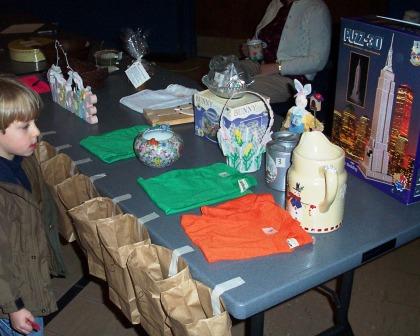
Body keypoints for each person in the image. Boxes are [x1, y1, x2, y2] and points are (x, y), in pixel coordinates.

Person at [0, 77, 66, 335]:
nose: (37, 132)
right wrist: (13, 306)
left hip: (25, 275)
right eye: (25, 126)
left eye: (35, 123)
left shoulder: (23, 159)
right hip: (12, 297)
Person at [241, 0, 331, 103]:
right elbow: (259, 39)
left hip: (290, 79)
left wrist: (278, 67)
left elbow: (318, 61)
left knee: (238, 89)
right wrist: (251, 49)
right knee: (225, 74)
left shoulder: (316, 8)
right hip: (260, 64)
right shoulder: (276, 3)